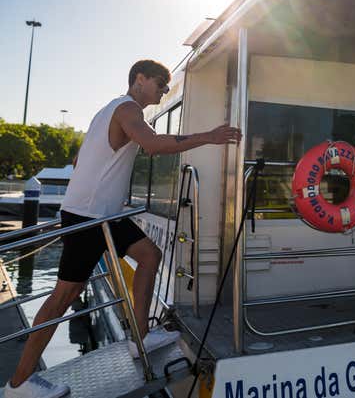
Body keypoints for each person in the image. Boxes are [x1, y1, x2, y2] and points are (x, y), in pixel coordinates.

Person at [5, 60, 241, 398]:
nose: (162, 91)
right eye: (160, 84)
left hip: (104, 217)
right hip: (88, 219)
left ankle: (140, 338)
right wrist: (210, 137)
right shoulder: (128, 108)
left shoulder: (109, 110)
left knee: (149, 255)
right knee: (63, 298)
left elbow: (80, 160)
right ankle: (19, 383)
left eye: (165, 86)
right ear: (139, 79)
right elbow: (154, 145)